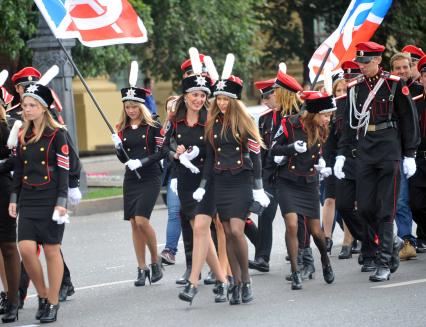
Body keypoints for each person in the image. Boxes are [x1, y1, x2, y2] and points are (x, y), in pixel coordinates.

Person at [335, 41, 418, 282]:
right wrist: (342, 153)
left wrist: (410, 154)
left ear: (378, 61)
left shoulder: (394, 85)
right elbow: (350, 126)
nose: (361, 66)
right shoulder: (354, 88)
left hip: (388, 149)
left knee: (385, 210)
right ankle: (392, 241)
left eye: (366, 62)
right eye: (359, 62)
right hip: (365, 151)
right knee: (366, 208)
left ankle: (383, 262)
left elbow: (408, 120)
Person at [194, 55, 270, 304]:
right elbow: (209, 157)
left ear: (234, 100)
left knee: (237, 231)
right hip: (219, 182)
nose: (223, 103)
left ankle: (245, 280)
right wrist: (203, 188)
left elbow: (256, 155)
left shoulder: (243, 120)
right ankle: (235, 282)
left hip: (241, 181)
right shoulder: (212, 123)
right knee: (226, 232)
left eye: (227, 99)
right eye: (220, 99)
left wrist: (258, 188)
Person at [162, 51, 229, 304]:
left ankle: (192, 282)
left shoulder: (211, 120)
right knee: (201, 234)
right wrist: (176, 155)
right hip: (185, 182)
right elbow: (164, 149)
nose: (199, 99)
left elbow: (214, 156)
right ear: (186, 96)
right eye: (194, 95)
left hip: (209, 181)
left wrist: (203, 180)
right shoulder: (175, 120)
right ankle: (223, 282)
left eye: (203, 95)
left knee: (202, 228)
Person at [8, 73, 70, 323]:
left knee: (52, 250)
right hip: (29, 199)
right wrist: (14, 197)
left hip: (51, 197)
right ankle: (43, 294)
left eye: (32, 105)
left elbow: (64, 169)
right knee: (25, 248)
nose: (27, 109)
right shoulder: (23, 134)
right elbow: (19, 169)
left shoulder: (57, 135)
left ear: (43, 108)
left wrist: (62, 201)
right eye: (25, 105)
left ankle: (53, 302)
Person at [271, 90, 335, 290]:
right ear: (314, 113)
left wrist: (323, 164)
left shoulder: (323, 128)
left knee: (316, 231)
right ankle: (295, 271)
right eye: (325, 115)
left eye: (330, 115)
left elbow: (321, 152)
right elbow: (273, 148)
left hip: (309, 182)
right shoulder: (288, 123)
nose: (328, 119)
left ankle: (325, 260)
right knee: (291, 225)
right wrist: (291, 148)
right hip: (287, 181)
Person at [111, 65, 165, 287]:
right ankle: (141, 268)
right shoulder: (121, 128)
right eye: (127, 106)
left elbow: (161, 152)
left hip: (150, 175)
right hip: (131, 178)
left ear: (141, 106)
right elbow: (124, 159)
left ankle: (155, 260)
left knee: (143, 220)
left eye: (134, 106)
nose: (131, 110)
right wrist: (118, 149)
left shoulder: (154, 125)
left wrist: (141, 161)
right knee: (134, 223)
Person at [390, 52, 422, 260]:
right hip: (397, 152)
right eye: (397, 68)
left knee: (419, 201)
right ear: (392, 70)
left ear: (412, 68)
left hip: (417, 153)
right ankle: (406, 239)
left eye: (405, 67)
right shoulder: (389, 89)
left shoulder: (419, 90)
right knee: (401, 200)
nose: (402, 71)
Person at [0, 84, 21, 323]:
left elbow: (15, 158)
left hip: (2, 190)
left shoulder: (5, 127)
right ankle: (6, 294)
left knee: (7, 246)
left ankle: (14, 301)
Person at [409, 56, 426, 254]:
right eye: (425, 75)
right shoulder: (414, 102)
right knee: (416, 204)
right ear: (421, 78)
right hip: (419, 158)